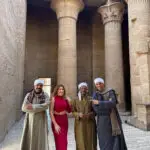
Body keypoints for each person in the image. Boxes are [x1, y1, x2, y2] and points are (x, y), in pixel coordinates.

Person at [92, 77, 127, 150]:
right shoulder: (95, 94)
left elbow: (113, 103)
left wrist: (99, 102)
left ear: (103, 84)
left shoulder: (110, 91)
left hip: (112, 120)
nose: (98, 85)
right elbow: (96, 109)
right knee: (104, 140)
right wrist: (108, 107)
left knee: (114, 139)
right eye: (97, 84)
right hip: (101, 121)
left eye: (100, 83)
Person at [20, 79, 50, 150]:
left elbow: (46, 106)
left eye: (40, 85)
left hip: (41, 121)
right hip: (30, 120)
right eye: (37, 85)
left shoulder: (45, 95)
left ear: (42, 86)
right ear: (34, 85)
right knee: (30, 137)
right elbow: (24, 108)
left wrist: (33, 106)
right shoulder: (28, 95)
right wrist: (40, 107)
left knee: (41, 139)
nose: (39, 87)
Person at [71, 82, 97, 150]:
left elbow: (95, 111)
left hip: (90, 123)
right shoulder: (75, 100)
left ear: (87, 89)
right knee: (80, 141)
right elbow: (72, 111)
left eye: (85, 88)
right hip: (79, 124)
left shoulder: (91, 99)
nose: (83, 90)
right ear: (79, 89)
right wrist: (78, 114)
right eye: (82, 88)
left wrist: (90, 114)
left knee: (91, 140)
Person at [50, 84, 71, 150]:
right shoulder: (53, 99)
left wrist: (69, 102)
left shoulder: (65, 99)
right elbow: (51, 112)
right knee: (59, 142)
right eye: (59, 89)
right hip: (56, 121)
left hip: (64, 121)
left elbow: (69, 110)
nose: (61, 90)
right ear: (57, 90)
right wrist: (55, 124)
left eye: (62, 89)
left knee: (64, 142)